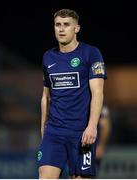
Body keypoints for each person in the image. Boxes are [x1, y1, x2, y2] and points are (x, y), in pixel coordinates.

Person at [37, 8, 107, 179]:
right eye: (57, 25)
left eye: (66, 25)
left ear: (76, 29)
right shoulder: (48, 57)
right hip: (54, 132)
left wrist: (92, 126)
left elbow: (98, 93)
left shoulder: (91, 53)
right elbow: (46, 96)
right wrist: (43, 130)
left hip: (81, 133)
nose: (61, 29)